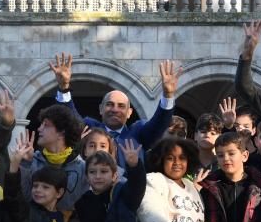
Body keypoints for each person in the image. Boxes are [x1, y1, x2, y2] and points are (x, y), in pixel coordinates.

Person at [49, 53, 181, 167]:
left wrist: (168, 95)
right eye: (110, 104)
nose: (115, 109)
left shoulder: (139, 134)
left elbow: (159, 124)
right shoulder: (90, 129)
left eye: (121, 106)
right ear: (101, 109)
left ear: (129, 113)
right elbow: (68, 116)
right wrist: (63, 86)